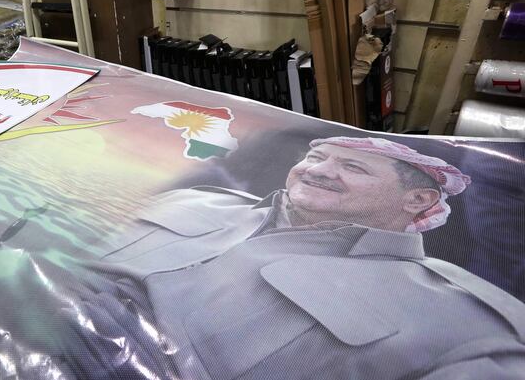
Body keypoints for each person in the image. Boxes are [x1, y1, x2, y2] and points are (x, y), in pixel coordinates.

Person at [58, 136, 525, 380]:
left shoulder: (458, 318)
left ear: (418, 200)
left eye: (353, 166)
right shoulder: (198, 200)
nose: (318, 169)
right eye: (317, 155)